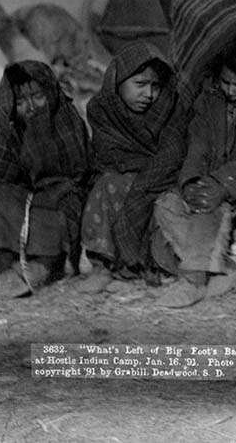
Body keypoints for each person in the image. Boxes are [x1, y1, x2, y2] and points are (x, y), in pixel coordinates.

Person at [151, 35, 236, 307]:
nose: (231, 91)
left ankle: (193, 281)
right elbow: (198, 146)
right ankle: (223, 268)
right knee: (166, 205)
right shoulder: (209, 102)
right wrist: (192, 181)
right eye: (226, 83)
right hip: (208, 185)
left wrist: (221, 184)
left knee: (208, 208)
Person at [0, 62, 90, 296]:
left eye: (37, 96)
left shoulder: (66, 118)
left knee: (68, 206)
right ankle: (4, 271)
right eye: (20, 102)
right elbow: (0, 176)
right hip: (25, 196)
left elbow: (79, 172)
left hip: (60, 192)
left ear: (50, 92)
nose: (31, 107)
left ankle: (42, 266)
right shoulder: (10, 127)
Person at [80, 42, 190, 291]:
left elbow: (172, 157)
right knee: (106, 185)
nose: (149, 94)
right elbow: (108, 155)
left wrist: (141, 178)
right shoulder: (102, 110)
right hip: (124, 177)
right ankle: (103, 267)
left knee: (146, 196)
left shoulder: (171, 109)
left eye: (155, 86)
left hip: (161, 180)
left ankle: (137, 267)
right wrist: (138, 169)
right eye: (140, 85)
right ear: (117, 82)